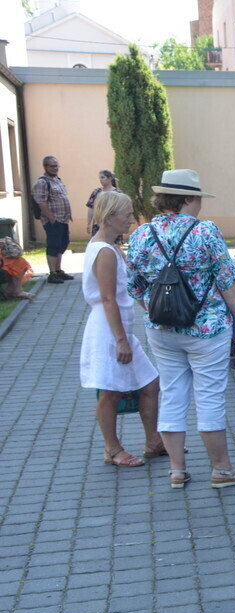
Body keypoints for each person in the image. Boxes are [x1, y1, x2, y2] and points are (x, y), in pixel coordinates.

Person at [125, 169, 235, 490]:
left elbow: (134, 284)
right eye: (197, 199)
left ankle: (176, 470)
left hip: (161, 329)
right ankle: (222, 470)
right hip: (207, 328)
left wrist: (157, 309)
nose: (200, 205)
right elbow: (227, 281)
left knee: (171, 393)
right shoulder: (205, 232)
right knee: (209, 397)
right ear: (187, 199)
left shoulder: (141, 234)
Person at [80, 191, 164, 467]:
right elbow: (107, 298)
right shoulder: (104, 251)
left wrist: (149, 309)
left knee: (150, 383)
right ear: (110, 216)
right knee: (110, 391)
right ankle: (112, 449)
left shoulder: (110, 246)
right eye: (127, 215)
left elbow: (126, 288)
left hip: (118, 327)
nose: (131, 220)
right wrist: (120, 340)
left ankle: (153, 441)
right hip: (108, 330)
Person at [32, 155, 73, 283]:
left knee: (62, 244)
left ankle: (58, 270)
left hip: (63, 219)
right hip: (52, 220)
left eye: (57, 166)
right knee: (53, 245)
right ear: (45, 167)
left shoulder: (57, 180)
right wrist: (51, 218)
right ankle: (52, 273)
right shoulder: (42, 182)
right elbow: (41, 202)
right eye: (52, 166)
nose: (55, 168)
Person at [86, 169, 120, 236]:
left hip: (113, 225)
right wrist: (88, 224)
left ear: (109, 178)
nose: (101, 180)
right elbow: (91, 208)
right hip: (98, 225)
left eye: (103, 177)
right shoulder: (96, 192)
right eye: (100, 178)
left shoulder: (117, 193)